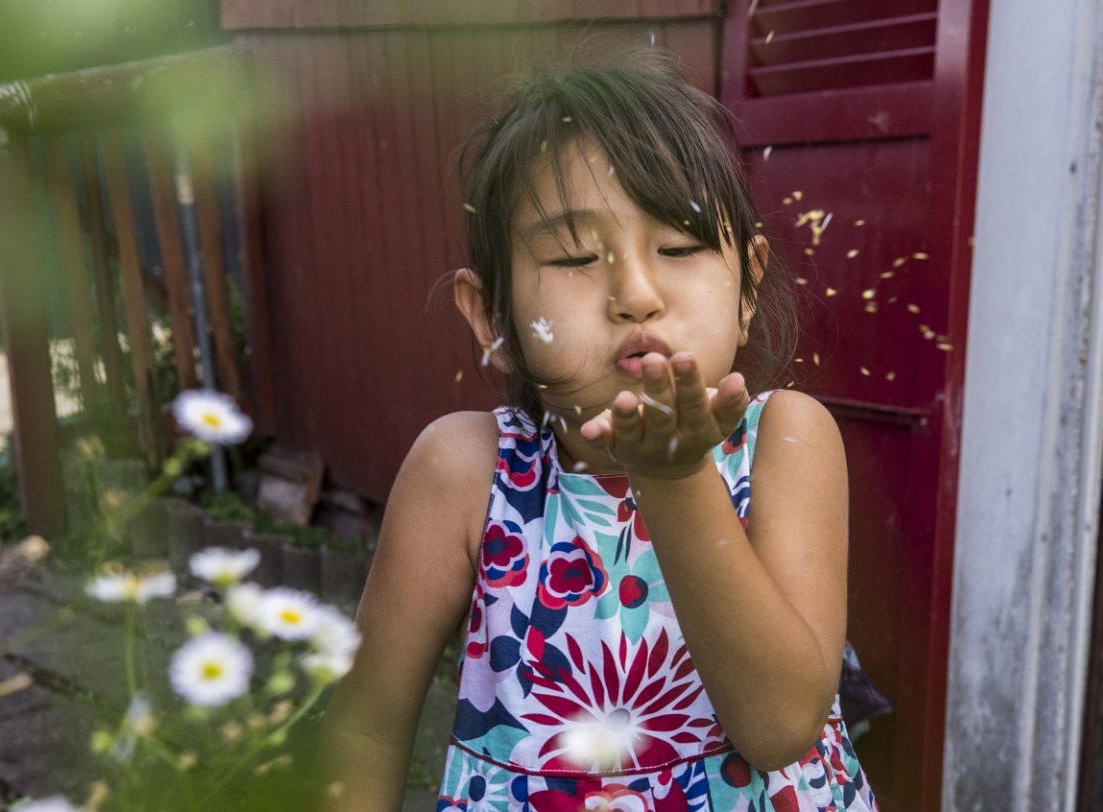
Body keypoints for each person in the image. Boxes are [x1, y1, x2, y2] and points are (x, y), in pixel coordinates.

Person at [319, 51, 878, 811]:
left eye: (679, 247)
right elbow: (367, 731)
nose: (636, 294)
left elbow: (779, 726)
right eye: (575, 256)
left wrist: (676, 480)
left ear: (748, 285)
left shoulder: (785, 441)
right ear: (493, 318)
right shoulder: (463, 473)